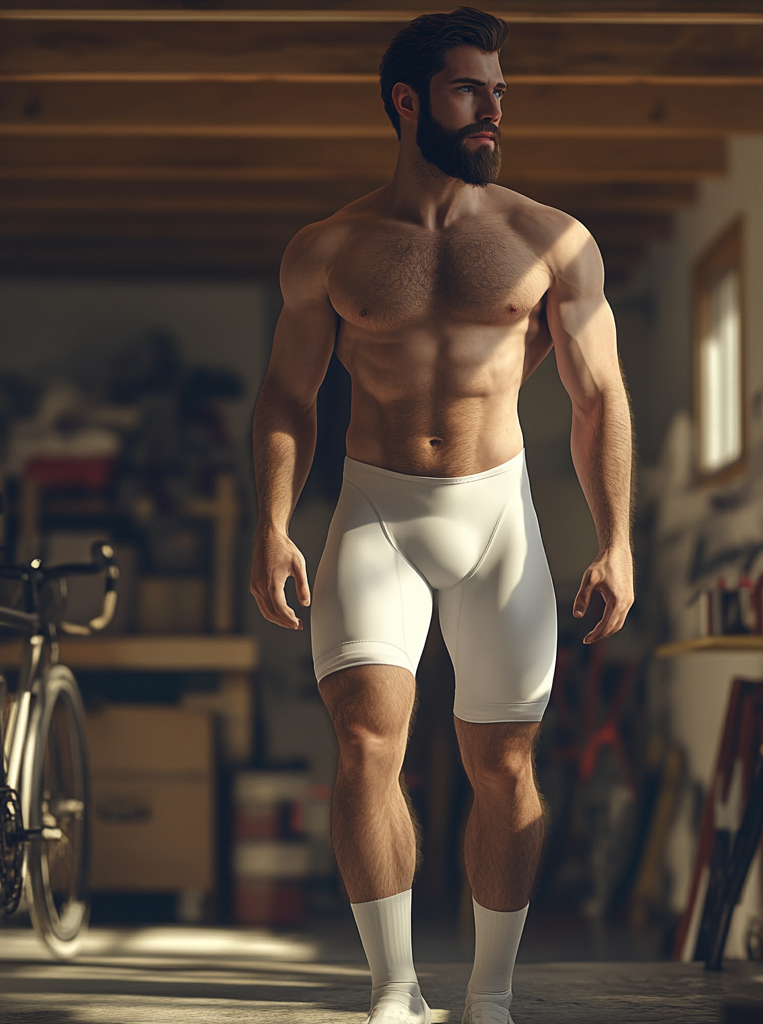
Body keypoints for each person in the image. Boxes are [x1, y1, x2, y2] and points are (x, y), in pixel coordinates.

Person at [249, 7, 634, 1022]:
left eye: (499, 92)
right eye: (470, 90)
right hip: (376, 509)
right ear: (407, 102)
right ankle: (393, 991)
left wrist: (617, 541)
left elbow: (597, 398)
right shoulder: (328, 248)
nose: (491, 111)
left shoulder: (551, 240)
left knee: (501, 765)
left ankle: (490, 994)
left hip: (496, 518)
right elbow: (288, 399)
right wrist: (272, 522)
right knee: (366, 745)